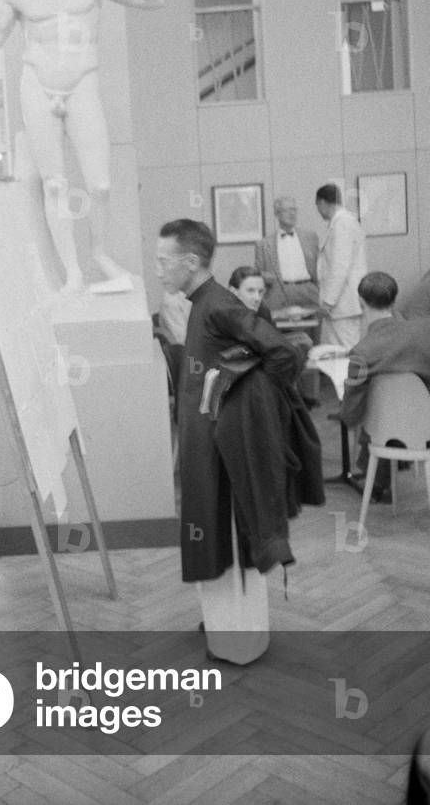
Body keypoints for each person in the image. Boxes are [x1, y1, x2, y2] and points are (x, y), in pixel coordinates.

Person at [156, 219, 323, 665]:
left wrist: (247, 407)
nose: (158, 270)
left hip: (222, 453)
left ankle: (238, 641)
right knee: (214, 537)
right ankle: (226, 629)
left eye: (163, 260)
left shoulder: (218, 306)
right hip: (207, 447)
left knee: (228, 538)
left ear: (191, 261)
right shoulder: (203, 304)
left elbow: (282, 353)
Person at [0, 0, 164, 293]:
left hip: (82, 82)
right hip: (37, 84)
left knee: (101, 183)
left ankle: (99, 253)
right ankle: (72, 273)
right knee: (55, 184)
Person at [340, 271, 430, 502]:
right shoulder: (424, 335)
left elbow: (351, 411)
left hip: (385, 429)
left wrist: (346, 415)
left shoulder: (361, 353)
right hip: (425, 423)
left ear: (361, 302)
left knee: (375, 406)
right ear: (395, 299)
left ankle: (376, 482)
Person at [315, 183, 367, 348]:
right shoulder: (342, 222)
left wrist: (328, 302)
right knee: (336, 351)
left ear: (322, 202)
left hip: (342, 304)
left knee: (344, 351)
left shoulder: (342, 224)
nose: (319, 211)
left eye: (318, 206)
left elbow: (339, 267)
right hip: (341, 304)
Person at [254, 196, 320, 315]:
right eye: (287, 210)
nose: (292, 213)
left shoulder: (311, 237)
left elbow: (319, 267)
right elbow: (257, 274)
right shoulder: (264, 244)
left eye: (294, 210)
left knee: (314, 325)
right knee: (278, 326)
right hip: (278, 293)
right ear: (277, 214)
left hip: (308, 292)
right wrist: (267, 277)